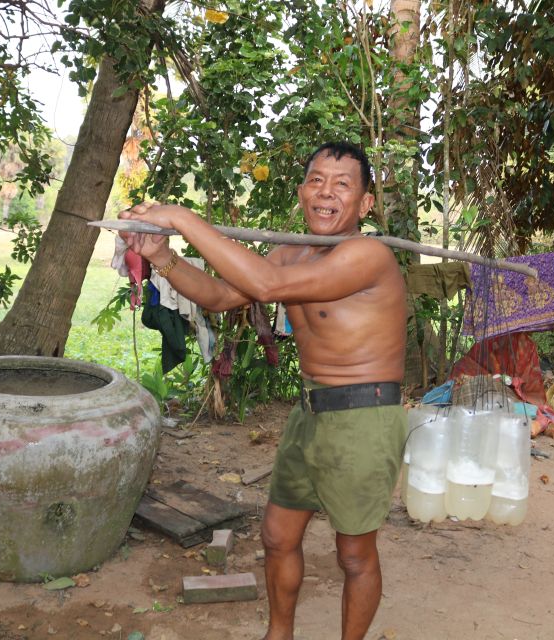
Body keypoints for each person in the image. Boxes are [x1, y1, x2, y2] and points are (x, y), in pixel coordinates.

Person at [119, 141, 407, 640]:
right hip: (310, 411)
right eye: (316, 180)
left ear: (365, 205)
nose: (326, 192)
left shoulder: (369, 255)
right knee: (277, 537)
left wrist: (182, 218)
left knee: (353, 554)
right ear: (301, 192)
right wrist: (165, 256)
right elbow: (222, 295)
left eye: (342, 184)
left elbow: (269, 286)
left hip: (365, 417)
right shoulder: (290, 252)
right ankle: (279, 634)